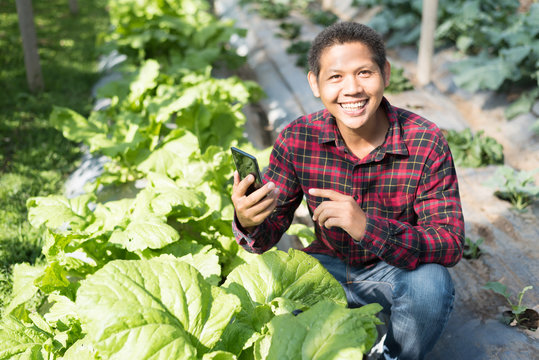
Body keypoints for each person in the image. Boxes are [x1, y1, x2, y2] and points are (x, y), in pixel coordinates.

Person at [231, 21, 464, 360]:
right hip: (326, 270)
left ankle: (391, 355)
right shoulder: (298, 138)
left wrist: (367, 228)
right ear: (315, 83)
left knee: (432, 284)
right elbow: (267, 236)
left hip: (393, 270)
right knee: (266, 308)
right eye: (335, 77)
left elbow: (450, 242)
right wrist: (248, 220)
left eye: (364, 73)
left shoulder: (425, 140)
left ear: (385, 73)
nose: (352, 89)